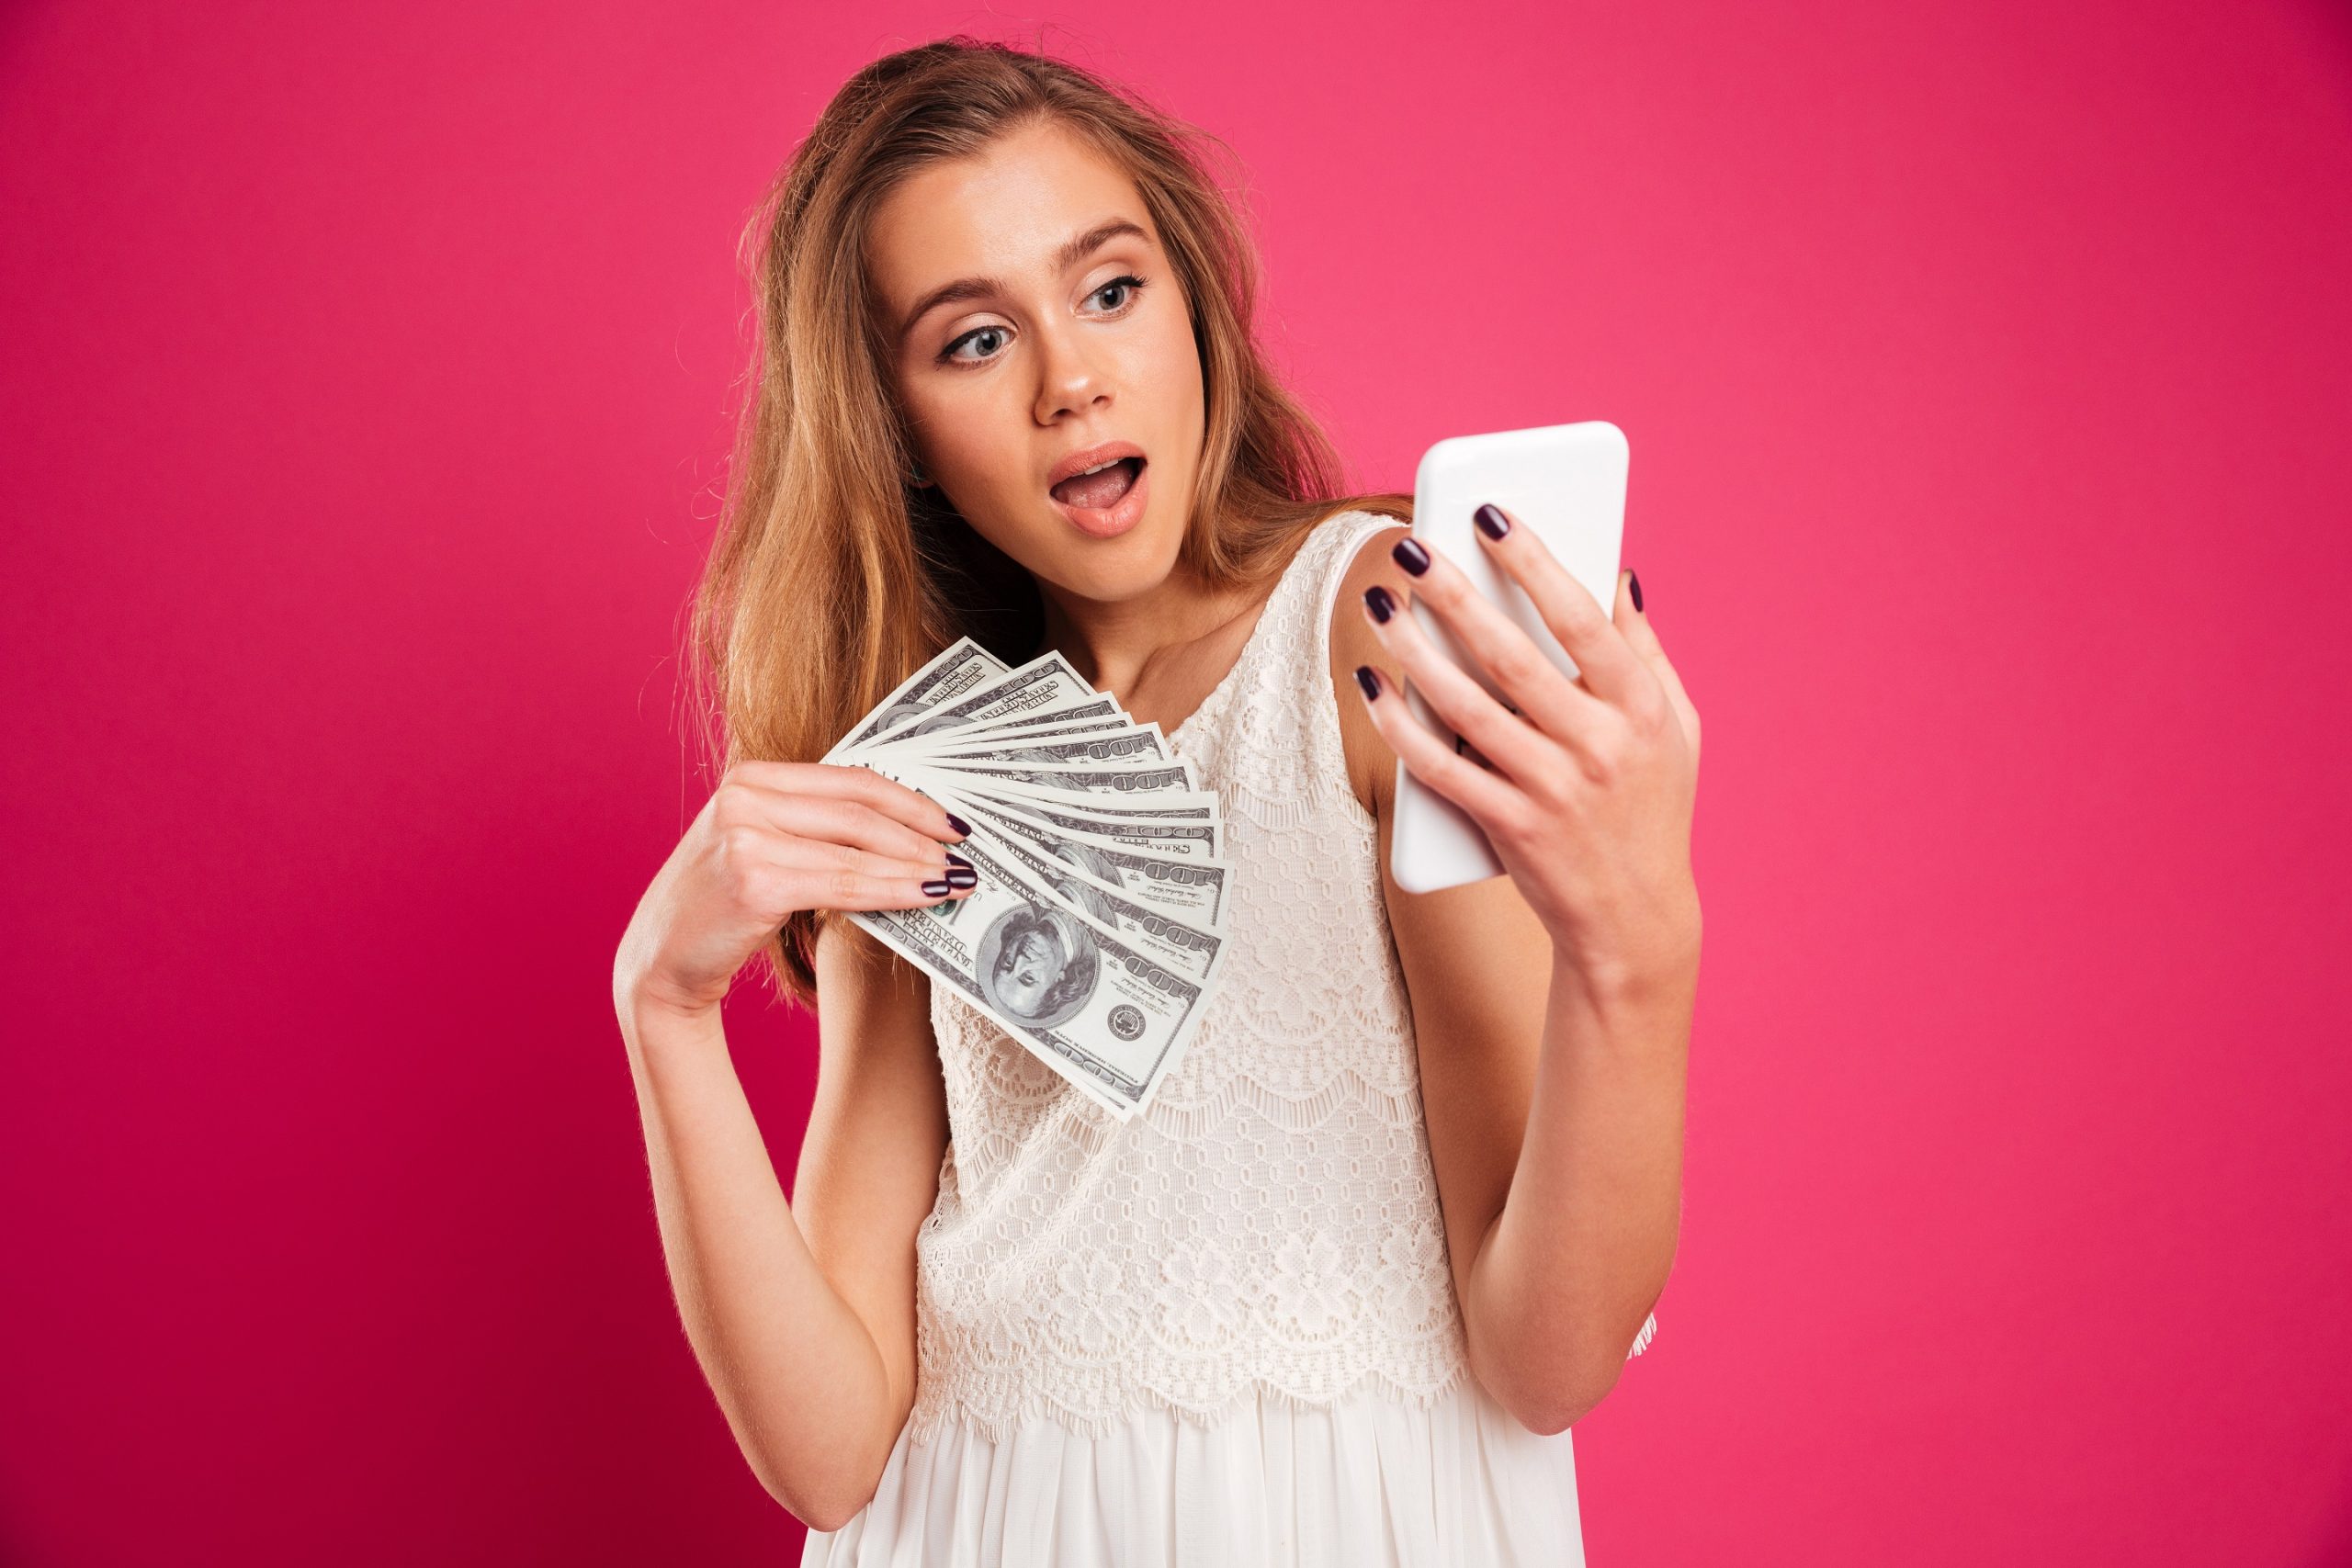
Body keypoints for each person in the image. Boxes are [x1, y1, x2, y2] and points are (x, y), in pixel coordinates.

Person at [611, 36, 1701, 1567]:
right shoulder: (916, 777)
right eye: (974, 340)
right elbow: (828, 1451)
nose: (1073, 380)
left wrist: (1638, 952)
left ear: (1192, 308)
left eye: (1110, 289)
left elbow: (1550, 1357)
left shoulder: (1377, 636)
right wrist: (663, 1004)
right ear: (896, 432)